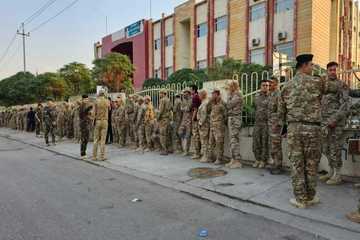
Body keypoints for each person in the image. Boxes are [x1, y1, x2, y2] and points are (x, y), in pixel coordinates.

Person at [279, 54, 324, 208]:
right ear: (304, 66)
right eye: (311, 65)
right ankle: (310, 196)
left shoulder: (286, 86)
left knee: (297, 164)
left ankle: (301, 199)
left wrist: (284, 127)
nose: (313, 68)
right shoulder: (318, 82)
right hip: (313, 128)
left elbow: (280, 111)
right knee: (312, 164)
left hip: (294, 129)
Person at [320, 61, 349, 185]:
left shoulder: (342, 85)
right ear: (327, 70)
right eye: (330, 69)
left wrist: (334, 119)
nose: (333, 72)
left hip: (336, 122)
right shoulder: (323, 84)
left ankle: (338, 174)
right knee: (325, 148)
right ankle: (331, 171)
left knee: (334, 148)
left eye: (334, 70)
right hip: (324, 121)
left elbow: (345, 104)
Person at [225, 80, 244, 169]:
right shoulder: (232, 94)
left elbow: (229, 105)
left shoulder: (238, 94)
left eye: (229, 86)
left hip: (236, 118)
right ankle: (233, 159)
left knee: (234, 140)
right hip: (231, 118)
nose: (227, 88)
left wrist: (228, 95)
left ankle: (237, 161)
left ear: (233, 86)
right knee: (232, 140)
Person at [252, 80, 270, 169]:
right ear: (260, 86)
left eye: (267, 85)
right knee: (256, 142)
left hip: (266, 123)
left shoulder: (271, 96)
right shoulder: (256, 96)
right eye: (263, 85)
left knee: (264, 142)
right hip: (257, 123)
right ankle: (257, 159)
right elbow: (254, 107)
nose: (265, 87)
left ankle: (263, 160)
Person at [268, 77, 284, 175]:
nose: (270, 85)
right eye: (269, 84)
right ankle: (274, 163)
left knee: (276, 145)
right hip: (271, 123)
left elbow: (281, 110)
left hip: (276, 124)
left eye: (272, 84)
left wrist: (278, 123)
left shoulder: (278, 94)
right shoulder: (271, 94)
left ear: (277, 84)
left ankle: (278, 165)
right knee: (273, 145)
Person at [207, 88, 227, 165]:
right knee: (211, 142)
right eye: (212, 94)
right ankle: (211, 157)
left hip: (219, 126)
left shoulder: (222, 103)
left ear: (218, 94)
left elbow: (225, 114)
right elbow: (207, 110)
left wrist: (221, 123)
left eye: (214, 94)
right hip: (212, 125)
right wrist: (210, 101)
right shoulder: (212, 103)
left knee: (219, 143)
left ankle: (219, 158)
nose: (212, 95)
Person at [92, 90, 110, 161]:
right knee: (103, 140)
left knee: (96, 139)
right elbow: (109, 108)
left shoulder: (96, 101)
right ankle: (102, 156)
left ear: (99, 94)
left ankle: (94, 156)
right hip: (105, 121)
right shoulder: (107, 101)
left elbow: (93, 113)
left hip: (98, 121)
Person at [197, 89, 210, 163]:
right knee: (204, 140)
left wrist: (200, 123)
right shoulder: (203, 102)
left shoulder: (205, 103)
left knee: (204, 141)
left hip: (204, 125)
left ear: (202, 95)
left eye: (199, 94)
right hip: (203, 124)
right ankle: (205, 155)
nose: (198, 96)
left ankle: (206, 156)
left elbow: (204, 115)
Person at [178, 88, 193, 156]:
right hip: (184, 119)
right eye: (183, 93)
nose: (183, 94)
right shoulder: (183, 100)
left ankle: (186, 150)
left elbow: (188, 108)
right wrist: (184, 108)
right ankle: (183, 147)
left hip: (189, 120)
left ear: (188, 93)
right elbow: (182, 109)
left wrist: (184, 108)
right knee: (180, 132)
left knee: (188, 136)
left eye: (185, 92)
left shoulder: (191, 100)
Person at [158, 89, 172, 155]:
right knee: (168, 134)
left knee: (162, 135)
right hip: (168, 119)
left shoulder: (162, 100)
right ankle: (169, 149)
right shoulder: (169, 100)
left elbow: (160, 111)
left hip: (163, 119)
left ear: (163, 93)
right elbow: (170, 109)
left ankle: (164, 150)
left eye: (160, 93)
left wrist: (158, 118)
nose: (159, 94)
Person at [79, 95, 93, 159]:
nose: (86, 100)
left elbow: (87, 113)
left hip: (86, 124)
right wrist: (89, 108)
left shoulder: (85, 106)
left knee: (86, 139)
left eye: (87, 99)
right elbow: (82, 114)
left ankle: (84, 153)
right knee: (84, 139)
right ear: (83, 99)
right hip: (83, 125)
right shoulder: (82, 106)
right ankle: (83, 154)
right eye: (85, 99)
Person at [190, 85, 201, 160]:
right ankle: (197, 152)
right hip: (198, 118)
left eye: (191, 89)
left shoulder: (195, 97)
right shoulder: (198, 96)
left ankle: (197, 153)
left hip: (196, 119)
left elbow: (195, 109)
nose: (190, 91)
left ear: (194, 90)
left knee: (196, 136)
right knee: (197, 136)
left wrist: (192, 118)